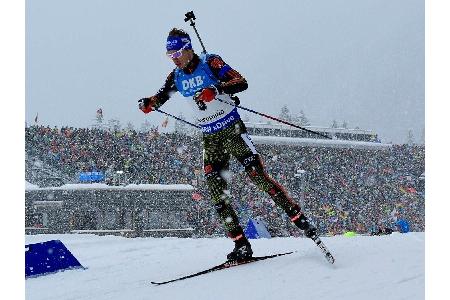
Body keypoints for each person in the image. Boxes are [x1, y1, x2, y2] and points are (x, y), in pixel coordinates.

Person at [138, 28, 318, 261]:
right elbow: (159, 98)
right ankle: (241, 245)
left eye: (178, 54)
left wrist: (216, 89)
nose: (175, 59)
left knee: (258, 177)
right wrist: (148, 103)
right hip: (210, 139)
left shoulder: (210, 61)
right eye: (170, 56)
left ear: (188, 49)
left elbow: (241, 82)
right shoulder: (176, 77)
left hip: (232, 130)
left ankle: (301, 221)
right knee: (217, 195)